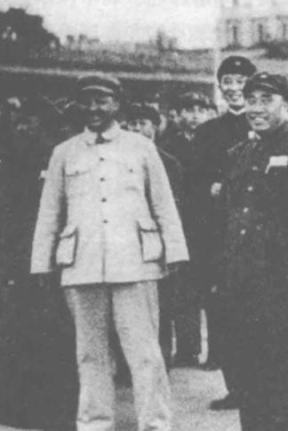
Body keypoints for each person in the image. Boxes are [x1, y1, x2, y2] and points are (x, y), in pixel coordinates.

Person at [30, 74, 188, 431]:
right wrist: (41, 263)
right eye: (87, 100)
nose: (94, 108)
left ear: (117, 104)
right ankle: (95, 423)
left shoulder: (141, 147)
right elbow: (49, 212)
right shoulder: (64, 152)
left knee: (144, 352)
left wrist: (175, 252)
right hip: (81, 264)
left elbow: (163, 204)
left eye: (102, 100)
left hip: (136, 263)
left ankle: (155, 423)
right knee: (90, 354)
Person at [218, 72, 288, 430]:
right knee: (248, 371)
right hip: (242, 278)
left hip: (285, 282)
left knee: (284, 372)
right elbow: (229, 217)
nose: (256, 108)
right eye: (251, 100)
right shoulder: (238, 154)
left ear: (287, 105)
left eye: (266, 100)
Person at [0, 96, 78, 430]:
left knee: (53, 335)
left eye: (28, 121)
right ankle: (21, 409)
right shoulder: (14, 158)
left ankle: (55, 412)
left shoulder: (53, 157)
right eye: (18, 121)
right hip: (17, 259)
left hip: (49, 260)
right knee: (20, 333)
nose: (22, 127)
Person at [192, 55, 258, 409]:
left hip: (259, 240)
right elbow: (194, 186)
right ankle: (237, 387)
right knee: (223, 315)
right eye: (227, 81)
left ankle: (259, 387)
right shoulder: (207, 133)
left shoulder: (266, 127)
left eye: (241, 81)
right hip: (220, 239)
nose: (234, 88)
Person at [126, 103, 185, 367]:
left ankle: (161, 361)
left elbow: (173, 208)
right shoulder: (119, 158)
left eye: (143, 123)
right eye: (132, 123)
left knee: (161, 305)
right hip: (126, 242)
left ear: (155, 126)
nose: (137, 129)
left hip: (154, 243)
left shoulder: (168, 162)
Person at [162, 91, 214, 368]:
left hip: (206, 222)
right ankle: (187, 348)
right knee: (182, 288)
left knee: (209, 288)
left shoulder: (213, 141)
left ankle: (215, 351)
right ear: (177, 115)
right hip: (179, 220)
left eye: (200, 110)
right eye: (189, 110)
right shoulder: (167, 144)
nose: (195, 116)